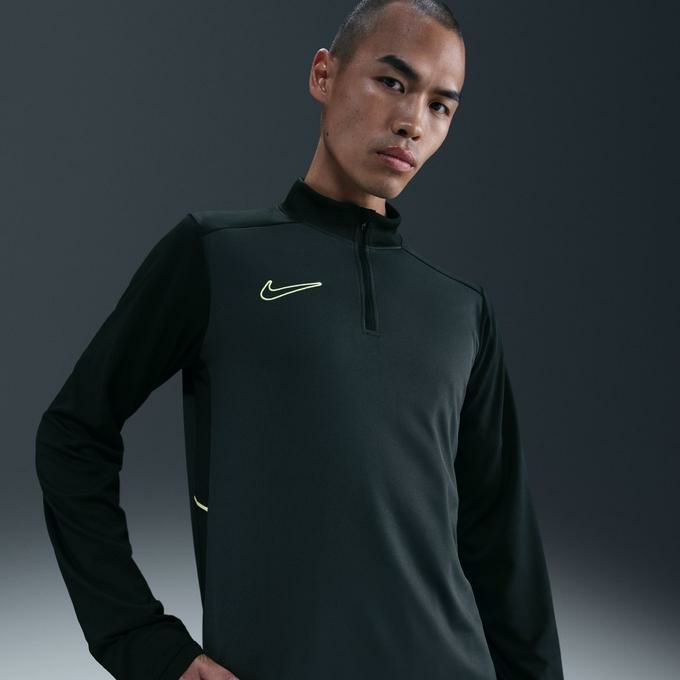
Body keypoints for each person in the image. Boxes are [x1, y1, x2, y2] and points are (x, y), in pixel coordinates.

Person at [35, 1, 565, 678]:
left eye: (440, 106)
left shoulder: (461, 311)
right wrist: (143, 643)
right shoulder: (217, 256)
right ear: (324, 74)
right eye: (393, 82)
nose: (413, 121)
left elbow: (503, 550)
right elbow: (72, 436)